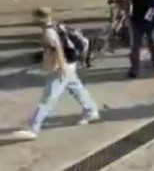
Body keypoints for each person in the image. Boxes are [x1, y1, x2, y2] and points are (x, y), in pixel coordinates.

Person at [12, 8, 99, 140]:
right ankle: (91, 110)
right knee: (76, 88)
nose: (32, 20)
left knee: (48, 97)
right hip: (70, 65)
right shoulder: (57, 25)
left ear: (39, 18)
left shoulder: (49, 33)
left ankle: (33, 128)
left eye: (34, 17)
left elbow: (57, 49)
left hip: (61, 68)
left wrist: (62, 67)